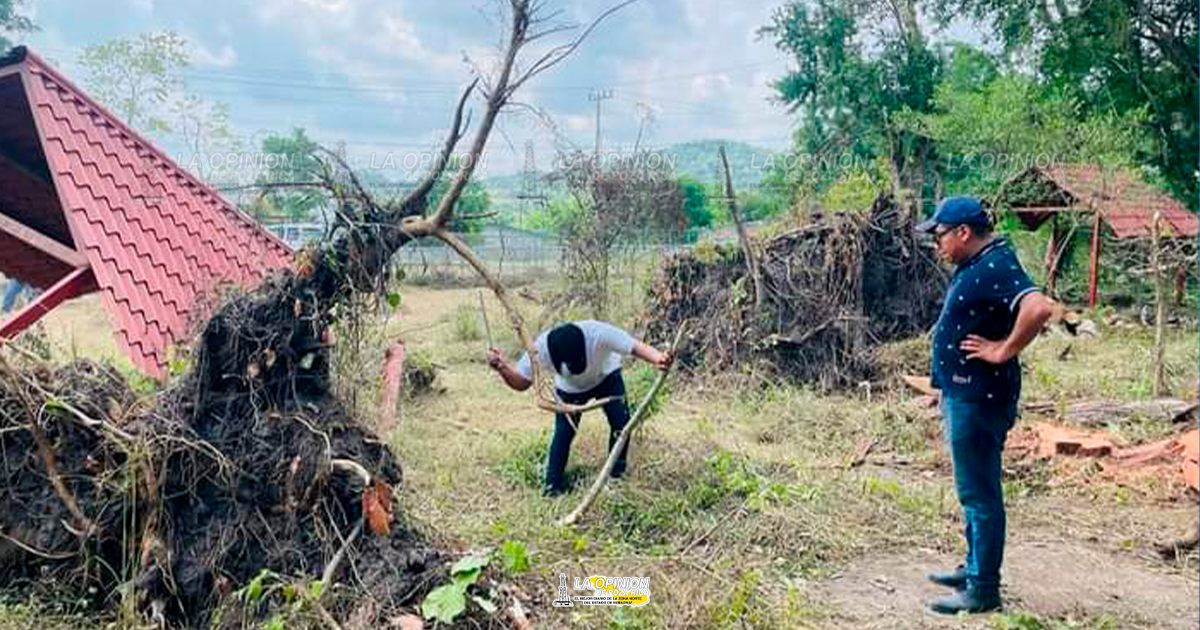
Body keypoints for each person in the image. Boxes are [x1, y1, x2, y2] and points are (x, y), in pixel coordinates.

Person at [917, 196, 1053, 614]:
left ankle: (983, 588)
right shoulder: (979, 263)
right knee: (972, 490)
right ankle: (973, 567)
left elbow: (1039, 307)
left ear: (963, 232)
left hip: (979, 399)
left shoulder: (996, 264)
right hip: (966, 394)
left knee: (979, 494)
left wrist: (1002, 350)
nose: (936, 243)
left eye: (939, 234)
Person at [486, 321, 673, 496]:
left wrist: (659, 358)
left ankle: (616, 476)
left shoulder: (599, 333)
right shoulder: (540, 348)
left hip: (607, 378)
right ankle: (552, 487)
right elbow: (521, 383)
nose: (570, 367)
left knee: (621, 424)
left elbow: (635, 347)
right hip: (569, 392)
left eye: (574, 363)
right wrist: (502, 367)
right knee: (564, 433)